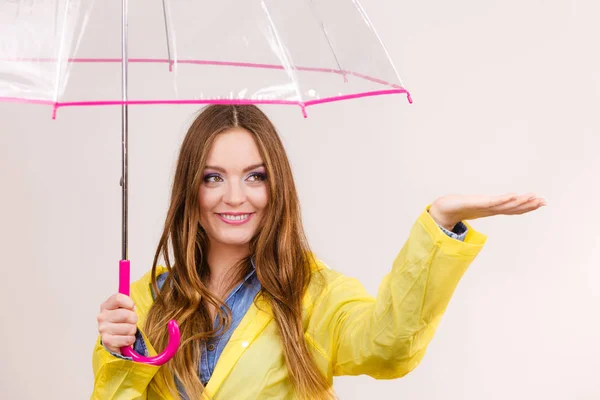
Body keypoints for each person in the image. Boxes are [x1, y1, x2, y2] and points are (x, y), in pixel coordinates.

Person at [92, 105, 545, 399]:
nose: (234, 196)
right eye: (213, 177)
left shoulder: (311, 293)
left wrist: (440, 225)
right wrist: (119, 357)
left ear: (278, 187)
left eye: (255, 176)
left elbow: (389, 346)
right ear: (190, 189)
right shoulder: (144, 304)